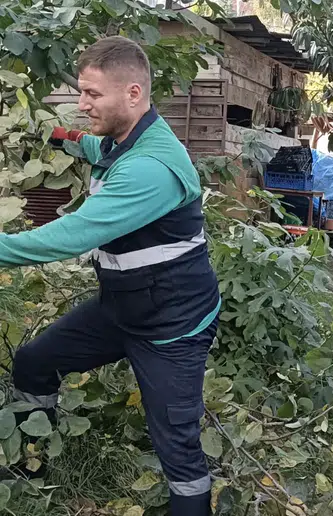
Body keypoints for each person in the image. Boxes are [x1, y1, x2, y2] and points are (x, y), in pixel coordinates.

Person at [2, 36, 220, 515]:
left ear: (133, 95)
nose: (81, 104)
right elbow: (95, 146)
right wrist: (59, 137)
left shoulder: (150, 168)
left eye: (92, 95)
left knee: (177, 448)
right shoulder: (128, 139)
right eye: (81, 93)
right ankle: (32, 463)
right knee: (35, 362)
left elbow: (71, 236)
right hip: (120, 309)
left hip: (171, 326)